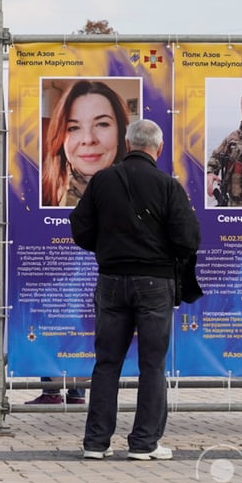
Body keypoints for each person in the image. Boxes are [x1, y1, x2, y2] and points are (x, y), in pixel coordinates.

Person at [70, 119, 200, 461]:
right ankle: (144, 443)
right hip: (156, 284)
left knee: (107, 362)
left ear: (127, 145)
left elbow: (80, 230)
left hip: (111, 280)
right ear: (157, 148)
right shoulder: (168, 186)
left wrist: (109, 248)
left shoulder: (101, 181)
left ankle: (96, 443)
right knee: (152, 364)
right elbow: (188, 239)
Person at [41, 80, 129, 207]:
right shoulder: (39, 193)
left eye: (102, 124)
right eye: (73, 128)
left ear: (120, 133)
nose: (88, 139)